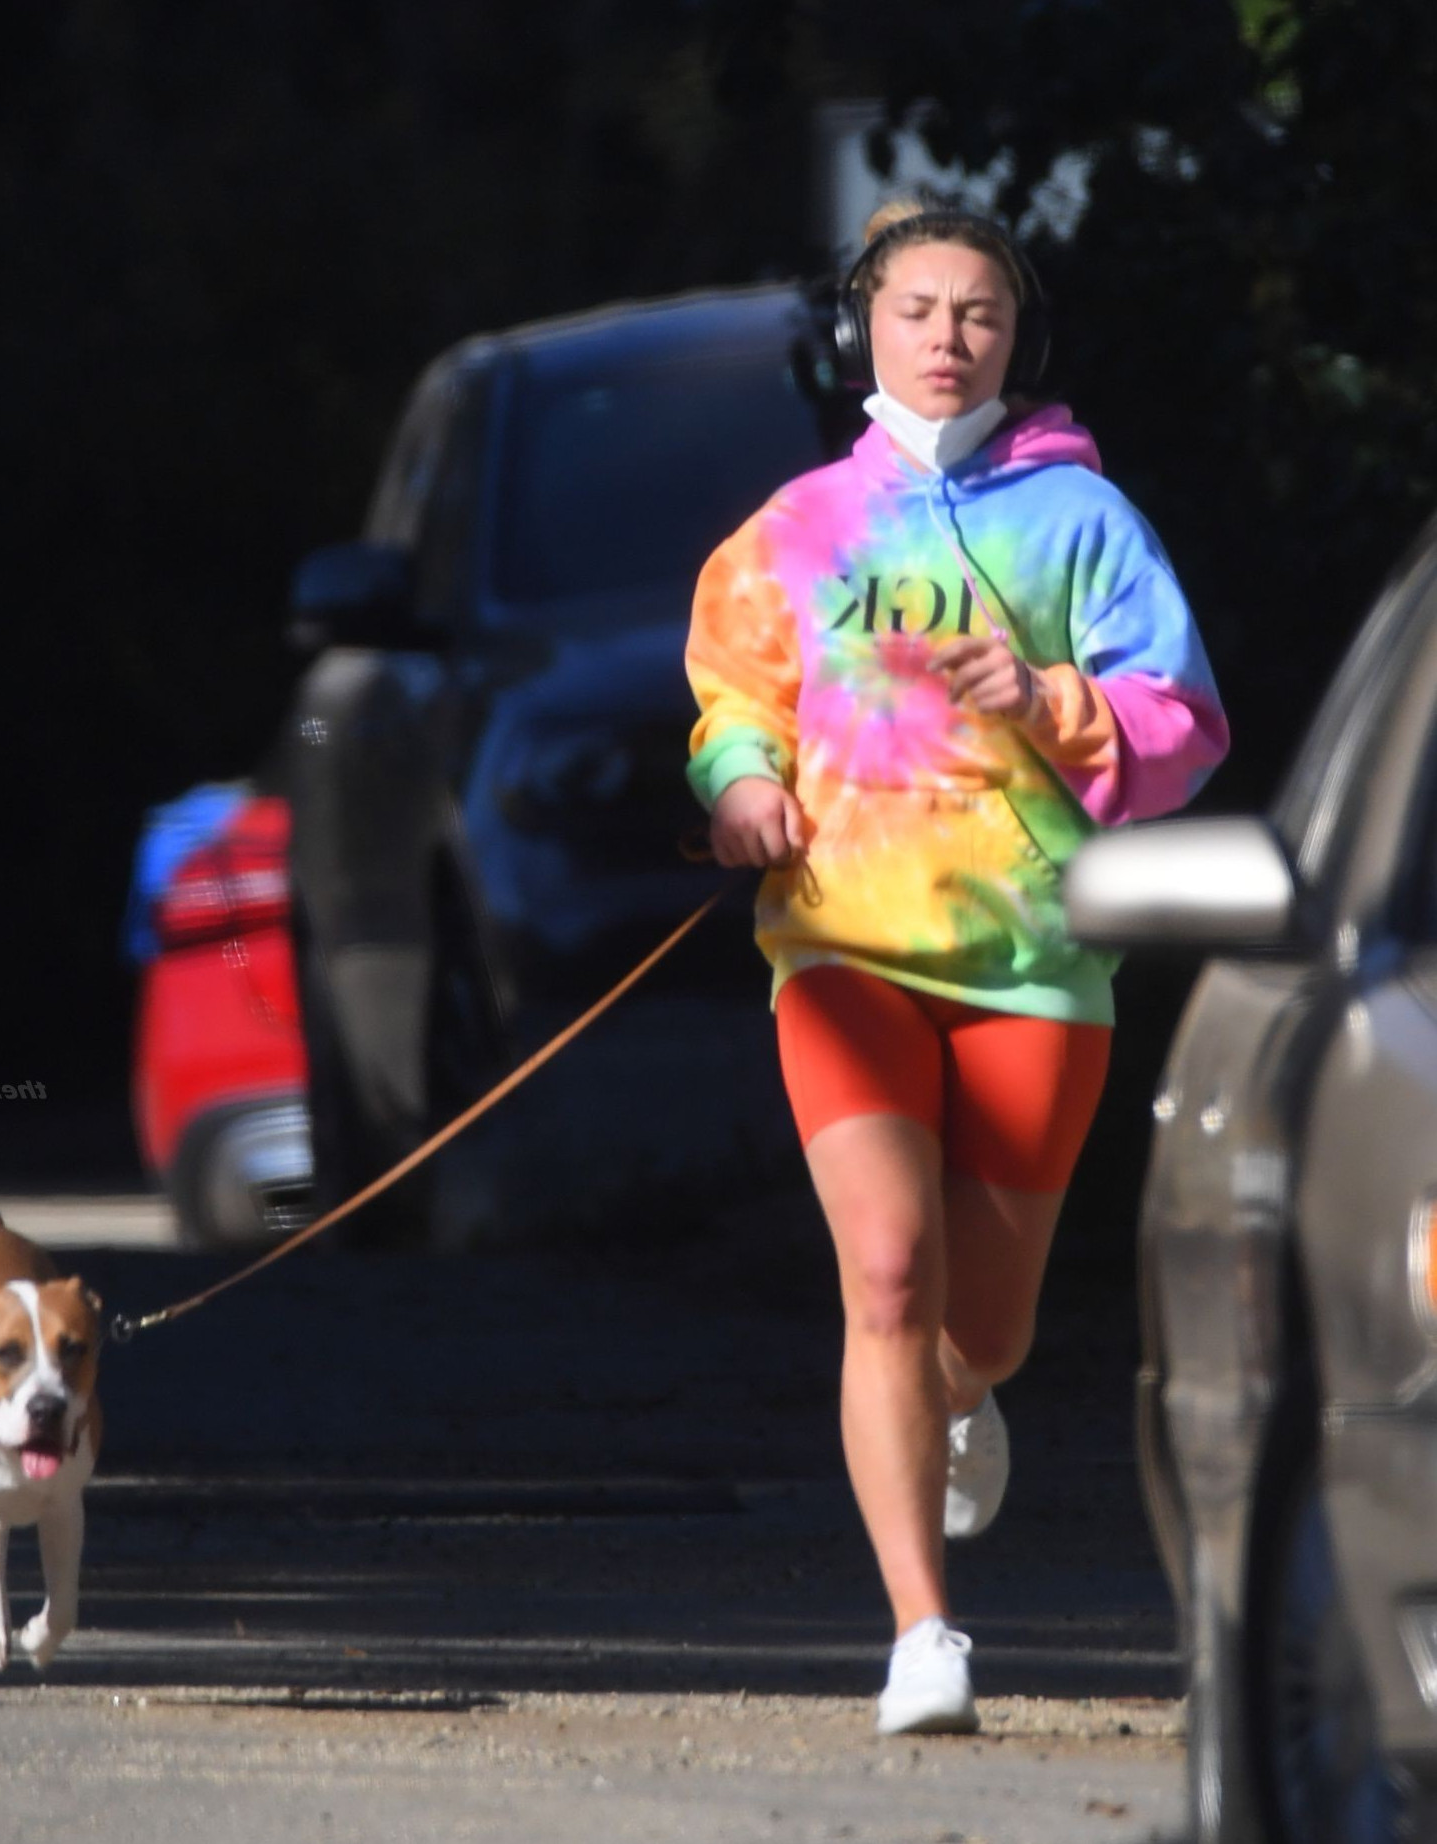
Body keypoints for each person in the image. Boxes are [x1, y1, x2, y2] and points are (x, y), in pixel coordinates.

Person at [684, 198, 1228, 1736]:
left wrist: (1054, 700)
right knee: (886, 1277)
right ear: (865, 325)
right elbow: (733, 694)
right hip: (841, 945)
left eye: (977, 313)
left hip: (1034, 958)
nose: (947, 338)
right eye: (918, 309)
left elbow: (1183, 727)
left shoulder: (1088, 526)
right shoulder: (793, 529)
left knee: (981, 1329)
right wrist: (739, 787)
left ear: (1016, 338)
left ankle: (964, 1398)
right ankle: (925, 1631)